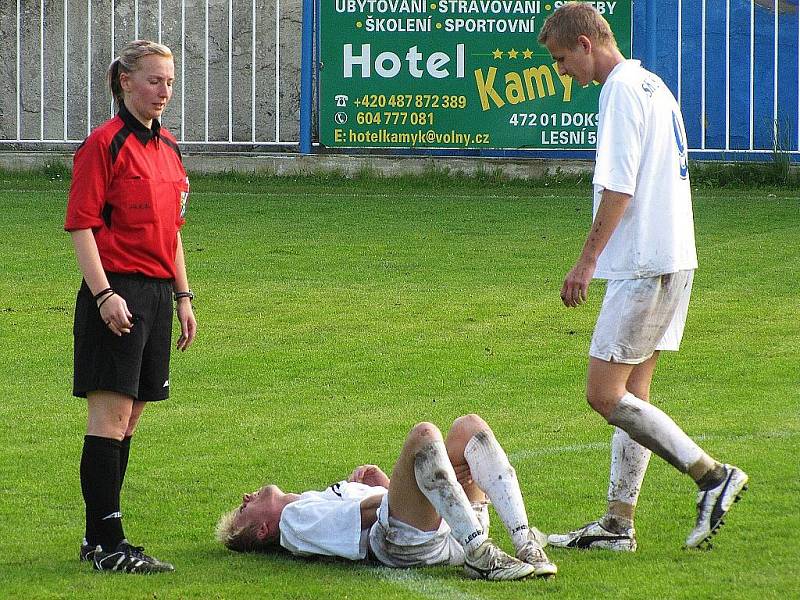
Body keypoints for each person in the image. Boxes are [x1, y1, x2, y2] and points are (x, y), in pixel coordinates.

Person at [536, 3, 748, 551]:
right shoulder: (653, 83)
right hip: (675, 256)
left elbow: (619, 186)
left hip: (644, 264)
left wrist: (586, 262)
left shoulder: (621, 91)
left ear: (586, 43)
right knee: (635, 394)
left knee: (604, 396)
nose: (564, 72)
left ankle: (712, 476)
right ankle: (617, 524)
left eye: (563, 59)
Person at [65, 39, 196, 573]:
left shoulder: (169, 148)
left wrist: (183, 296)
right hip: (116, 290)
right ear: (125, 81)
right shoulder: (104, 144)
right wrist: (104, 296)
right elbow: (81, 225)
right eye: (153, 81)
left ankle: (101, 539)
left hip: (158, 295)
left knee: (133, 416)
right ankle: (107, 544)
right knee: (110, 416)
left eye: (169, 82)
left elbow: (174, 233)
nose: (163, 91)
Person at [216, 414, 557, 581]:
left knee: (468, 426)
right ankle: (482, 554)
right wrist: (399, 490)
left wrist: (386, 485)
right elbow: (360, 521)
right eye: (243, 509)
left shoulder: (307, 503)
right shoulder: (293, 520)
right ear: (263, 530)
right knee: (425, 434)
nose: (246, 496)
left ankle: (526, 545)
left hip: (435, 530)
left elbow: (371, 508)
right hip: (405, 544)